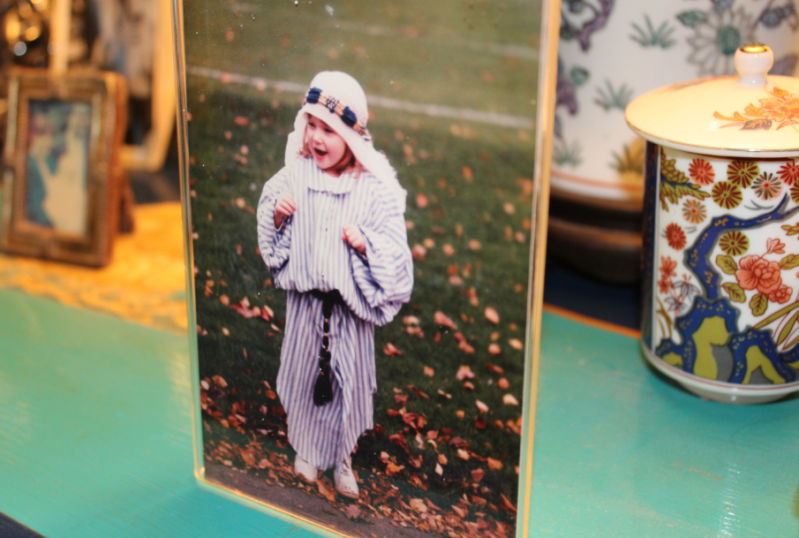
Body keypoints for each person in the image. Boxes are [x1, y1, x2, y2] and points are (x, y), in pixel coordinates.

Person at [256, 71, 413, 499]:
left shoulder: (371, 191)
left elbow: (396, 255)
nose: (316, 138)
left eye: (328, 130)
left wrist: (366, 246)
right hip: (307, 307)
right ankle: (307, 451)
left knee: (347, 385)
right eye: (311, 125)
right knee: (304, 374)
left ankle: (343, 459)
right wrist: (278, 216)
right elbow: (271, 233)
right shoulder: (295, 176)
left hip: (349, 313)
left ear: (351, 136)